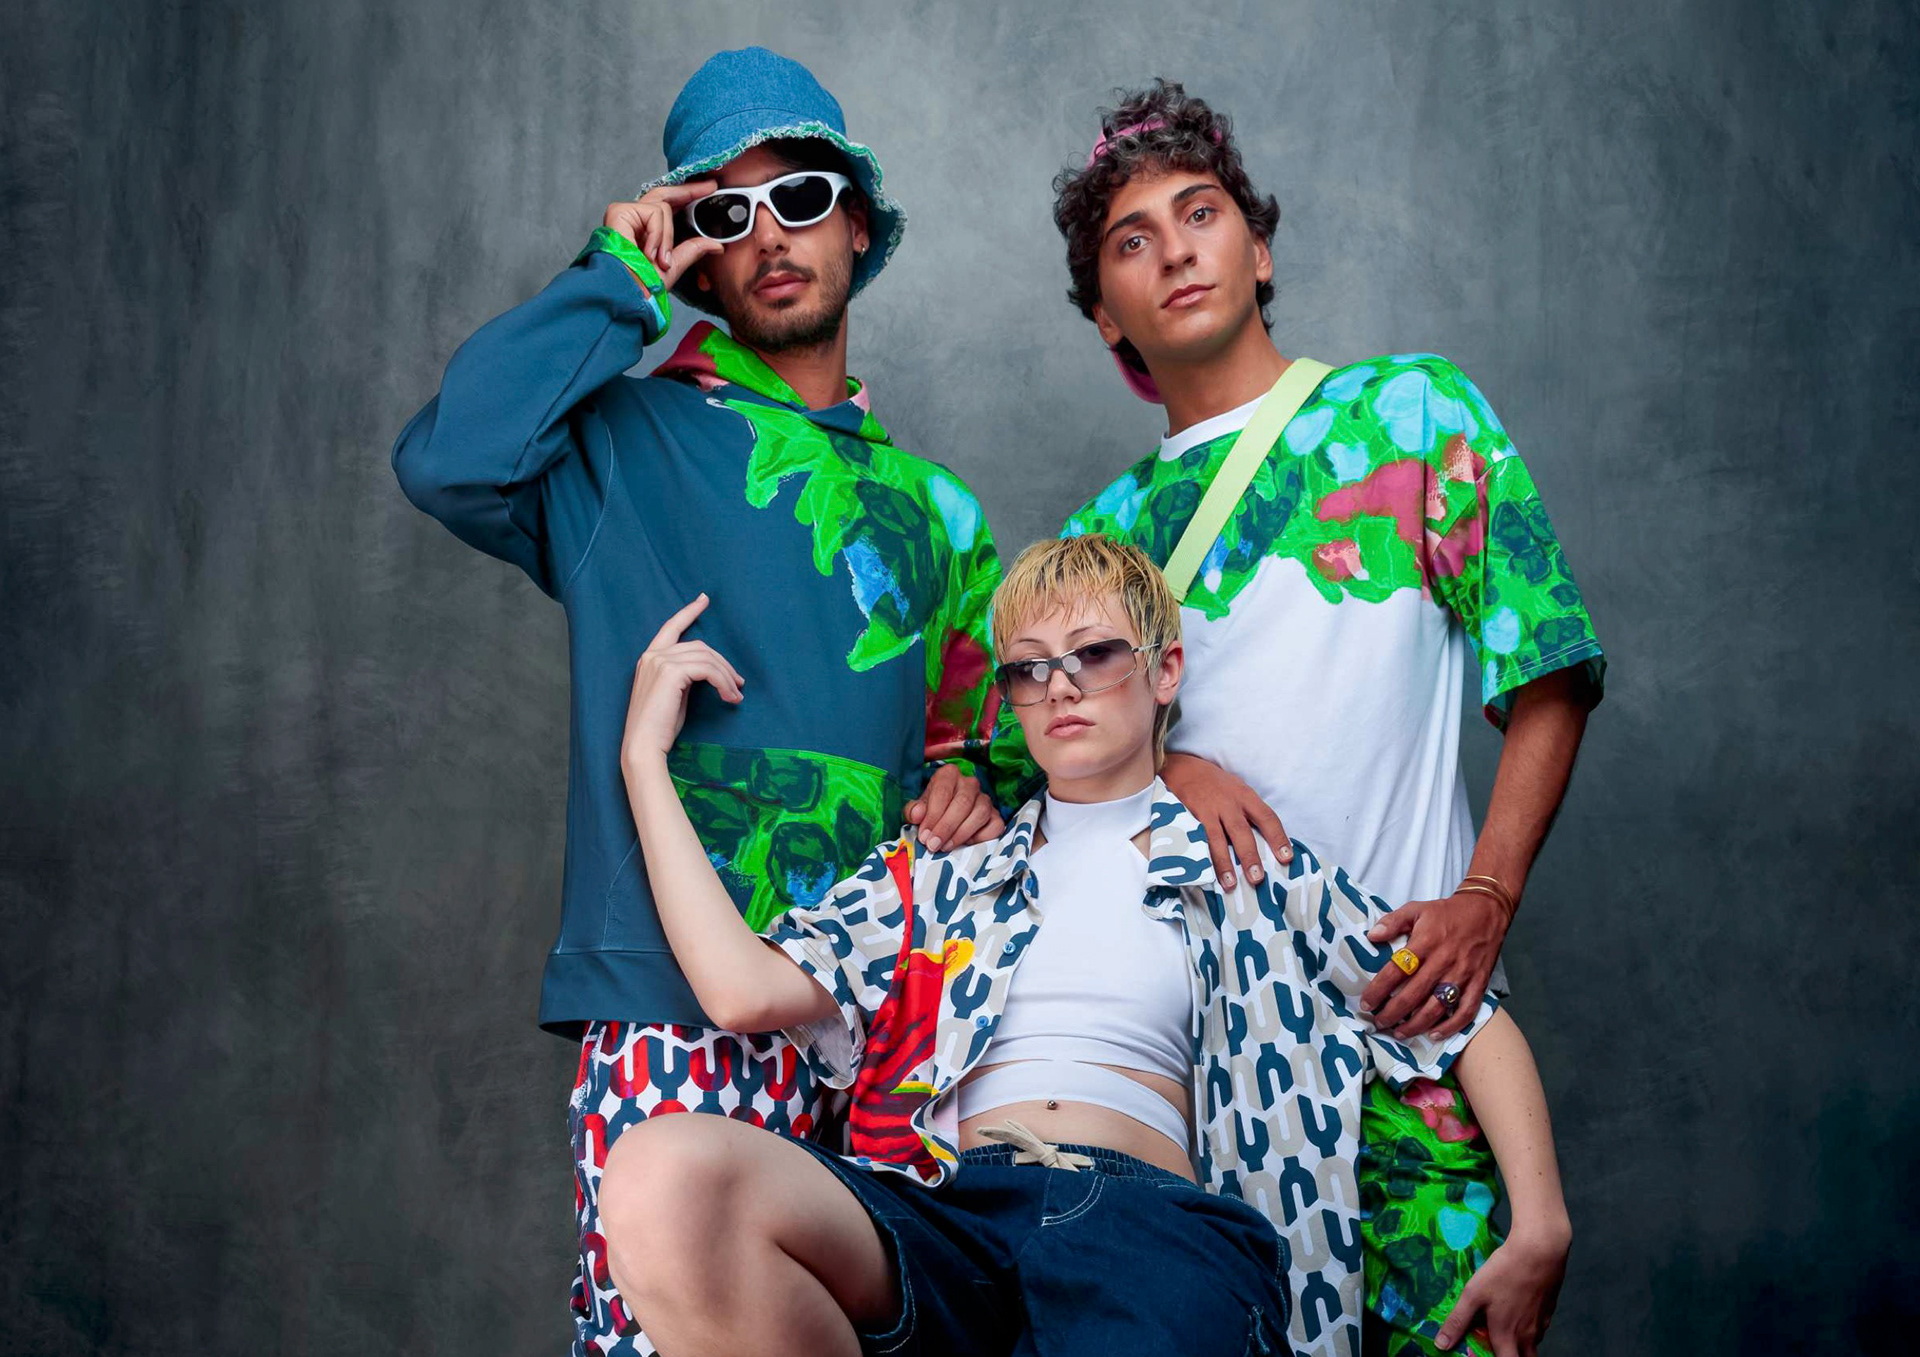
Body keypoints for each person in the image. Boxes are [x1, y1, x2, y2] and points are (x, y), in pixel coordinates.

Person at [390, 47, 1014, 1357]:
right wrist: (614, 277)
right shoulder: (614, 439)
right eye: (725, 212)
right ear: (695, 255)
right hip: (671, 1005)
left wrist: (976, 787)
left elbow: (983, 753)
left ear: (857, 222)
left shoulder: (941, 515)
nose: (769, 236)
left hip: (882, 1027)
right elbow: (450, 458)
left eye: (800, 198)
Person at [598, 533, 1570, 1357]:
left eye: (1094, 653)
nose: (1059, 684)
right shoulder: (947, 866)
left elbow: (1468, 1019)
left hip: (1149, 1229)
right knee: (662, 1180)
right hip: (954, 1217)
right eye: (1029, 667)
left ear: (1165, 670)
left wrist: (1541, 1224)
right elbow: (740, 990)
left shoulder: (1251, 871)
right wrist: (643, 760)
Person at [1050, 81, 1602, 1356]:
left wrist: (1488, 893)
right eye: (1133, 239)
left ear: (1260, 247)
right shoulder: (1102, 538)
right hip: (1201, 1085)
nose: (1176, 249)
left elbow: (1551, 669)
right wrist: (1171, 764)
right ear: (1105, 317)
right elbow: (1052, 784)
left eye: (1202, 213)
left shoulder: (1411, 417)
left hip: (1417, 1048)